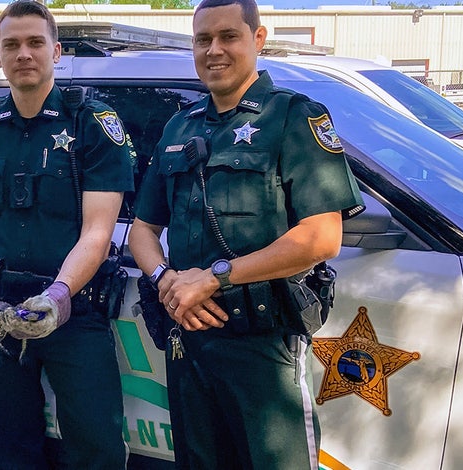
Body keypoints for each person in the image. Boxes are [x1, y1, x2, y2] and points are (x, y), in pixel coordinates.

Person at [128, 0, 363, 469]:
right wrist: (164, 280)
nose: (213, 50)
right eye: (202, 40)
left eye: (228, 36)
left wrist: (212, 278)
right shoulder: (180, 125)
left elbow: (321, 237)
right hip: (188, 338)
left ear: (257, 38)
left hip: (262, 344)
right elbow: (142, 228)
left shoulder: (293, 118)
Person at [0, 1, 135, 468]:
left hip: (74, 308)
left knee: (95, 445)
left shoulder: (91, 124)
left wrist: (59, 294)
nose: (24, 53)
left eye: (35, 42)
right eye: (12, 44)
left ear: (56, 51)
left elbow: (98, 231)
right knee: (8, 446)